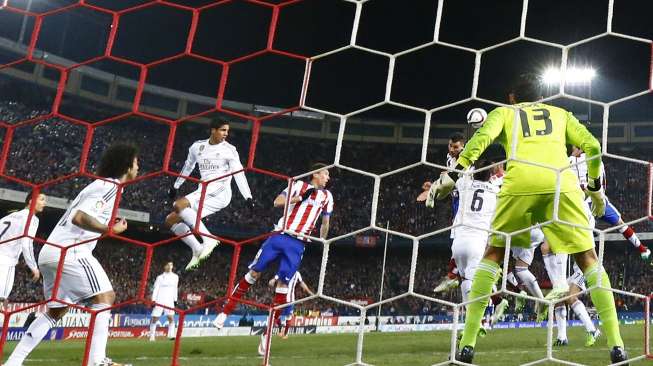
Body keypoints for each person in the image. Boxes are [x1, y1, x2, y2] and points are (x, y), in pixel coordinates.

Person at [434, 75, 627, 364]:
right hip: (561, 184)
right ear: (542, 97)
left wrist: (453, 174)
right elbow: (593, 146)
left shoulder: (505, 113)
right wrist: (597, 189)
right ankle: (617, 346)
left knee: (494, 254)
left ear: (512, 97)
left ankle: (468, 345)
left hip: (520, 184)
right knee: (588, 258)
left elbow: (480, 141)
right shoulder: (561, 114)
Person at [5, 143, 138, 366]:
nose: (138, 167)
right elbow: (79, 217)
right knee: (105, 297)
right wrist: (108, 229)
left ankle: (13, 363)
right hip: (70, 251)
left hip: (49, 253)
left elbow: (81, 217)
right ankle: (97, 361)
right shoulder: (110, 186)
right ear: (126, 165)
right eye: (136, 162)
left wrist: (105, 224)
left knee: (55, 312)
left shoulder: (99, 186)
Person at [213, 164, 332, 355]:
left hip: (299, 244)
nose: (328, 177)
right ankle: (225, 312)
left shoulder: (327, 196)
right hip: (279, 235)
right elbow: (277, 202)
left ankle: (267, 334)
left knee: (283, 286)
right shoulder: (298, 185)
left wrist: (324, 239)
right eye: (325, 173)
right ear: (315, 174)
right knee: (254, 273)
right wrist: (299, 198)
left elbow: (325, 222)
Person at [166, 119, 253, 271]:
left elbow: (239, 174)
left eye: (227, 130)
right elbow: (188, 166)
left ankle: (209, 240)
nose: (226, 133)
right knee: (170, 220)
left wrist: (247, 196)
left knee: (178, 205)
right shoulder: (197, 147)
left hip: (220, 190)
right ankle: (197, 248)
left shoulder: (230, 150)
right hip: (204, 190)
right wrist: (176, 185)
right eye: (223, 130)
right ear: (213, 130)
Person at [569, 145, 650, 259]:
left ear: (579, 149)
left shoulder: (572, 161)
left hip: (584, 203)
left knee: (584, 236)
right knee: (620, 224)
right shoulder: (598, 159)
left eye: (573, 148)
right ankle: (642, 249)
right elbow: (602, 182)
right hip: (600, 200)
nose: (572, 151)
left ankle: (581, 268)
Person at [423, 133, 465, 293]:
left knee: (459, 243)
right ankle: (455, 275)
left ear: (463, 146)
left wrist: (437, 186)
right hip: (456, 203)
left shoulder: (468, 159)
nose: (452, 149)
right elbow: (450, 183)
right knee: (458, 244)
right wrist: (435, 185)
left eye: (456, 147)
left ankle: (452, 275)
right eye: (450, 146)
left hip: (466, 204)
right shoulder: (449, 159)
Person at [0, 192, 45, 309]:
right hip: (5, 261)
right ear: (31, 201)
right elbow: (27, 244)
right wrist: (34, 267)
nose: (44, 203)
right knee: (1, 300)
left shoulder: (9, 216)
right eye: (42, 199)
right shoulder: (32, 218)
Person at [267, 271, 313, 342]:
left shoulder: (297, 274)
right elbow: (278, 275)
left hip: (289, 300)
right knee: (276, 315)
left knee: (288, 316)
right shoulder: (284, 270)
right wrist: (274, 279)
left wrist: (309, 292)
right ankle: (280, 328)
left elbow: (302, 283)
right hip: (280, 297)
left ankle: (285, 333)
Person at [148, 261, 179, 341]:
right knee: (155, 317)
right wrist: (153, 300)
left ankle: (171, 335)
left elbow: (175, 288)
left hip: (169, 300)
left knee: (170, 317)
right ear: (164, 266)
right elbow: (156, 289)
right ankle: (152, 336)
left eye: (171, 265)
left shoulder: (175, 277)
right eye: (167, 265)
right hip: (160, 299)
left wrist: (175, 299)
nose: (169, 266)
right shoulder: (160, 277)